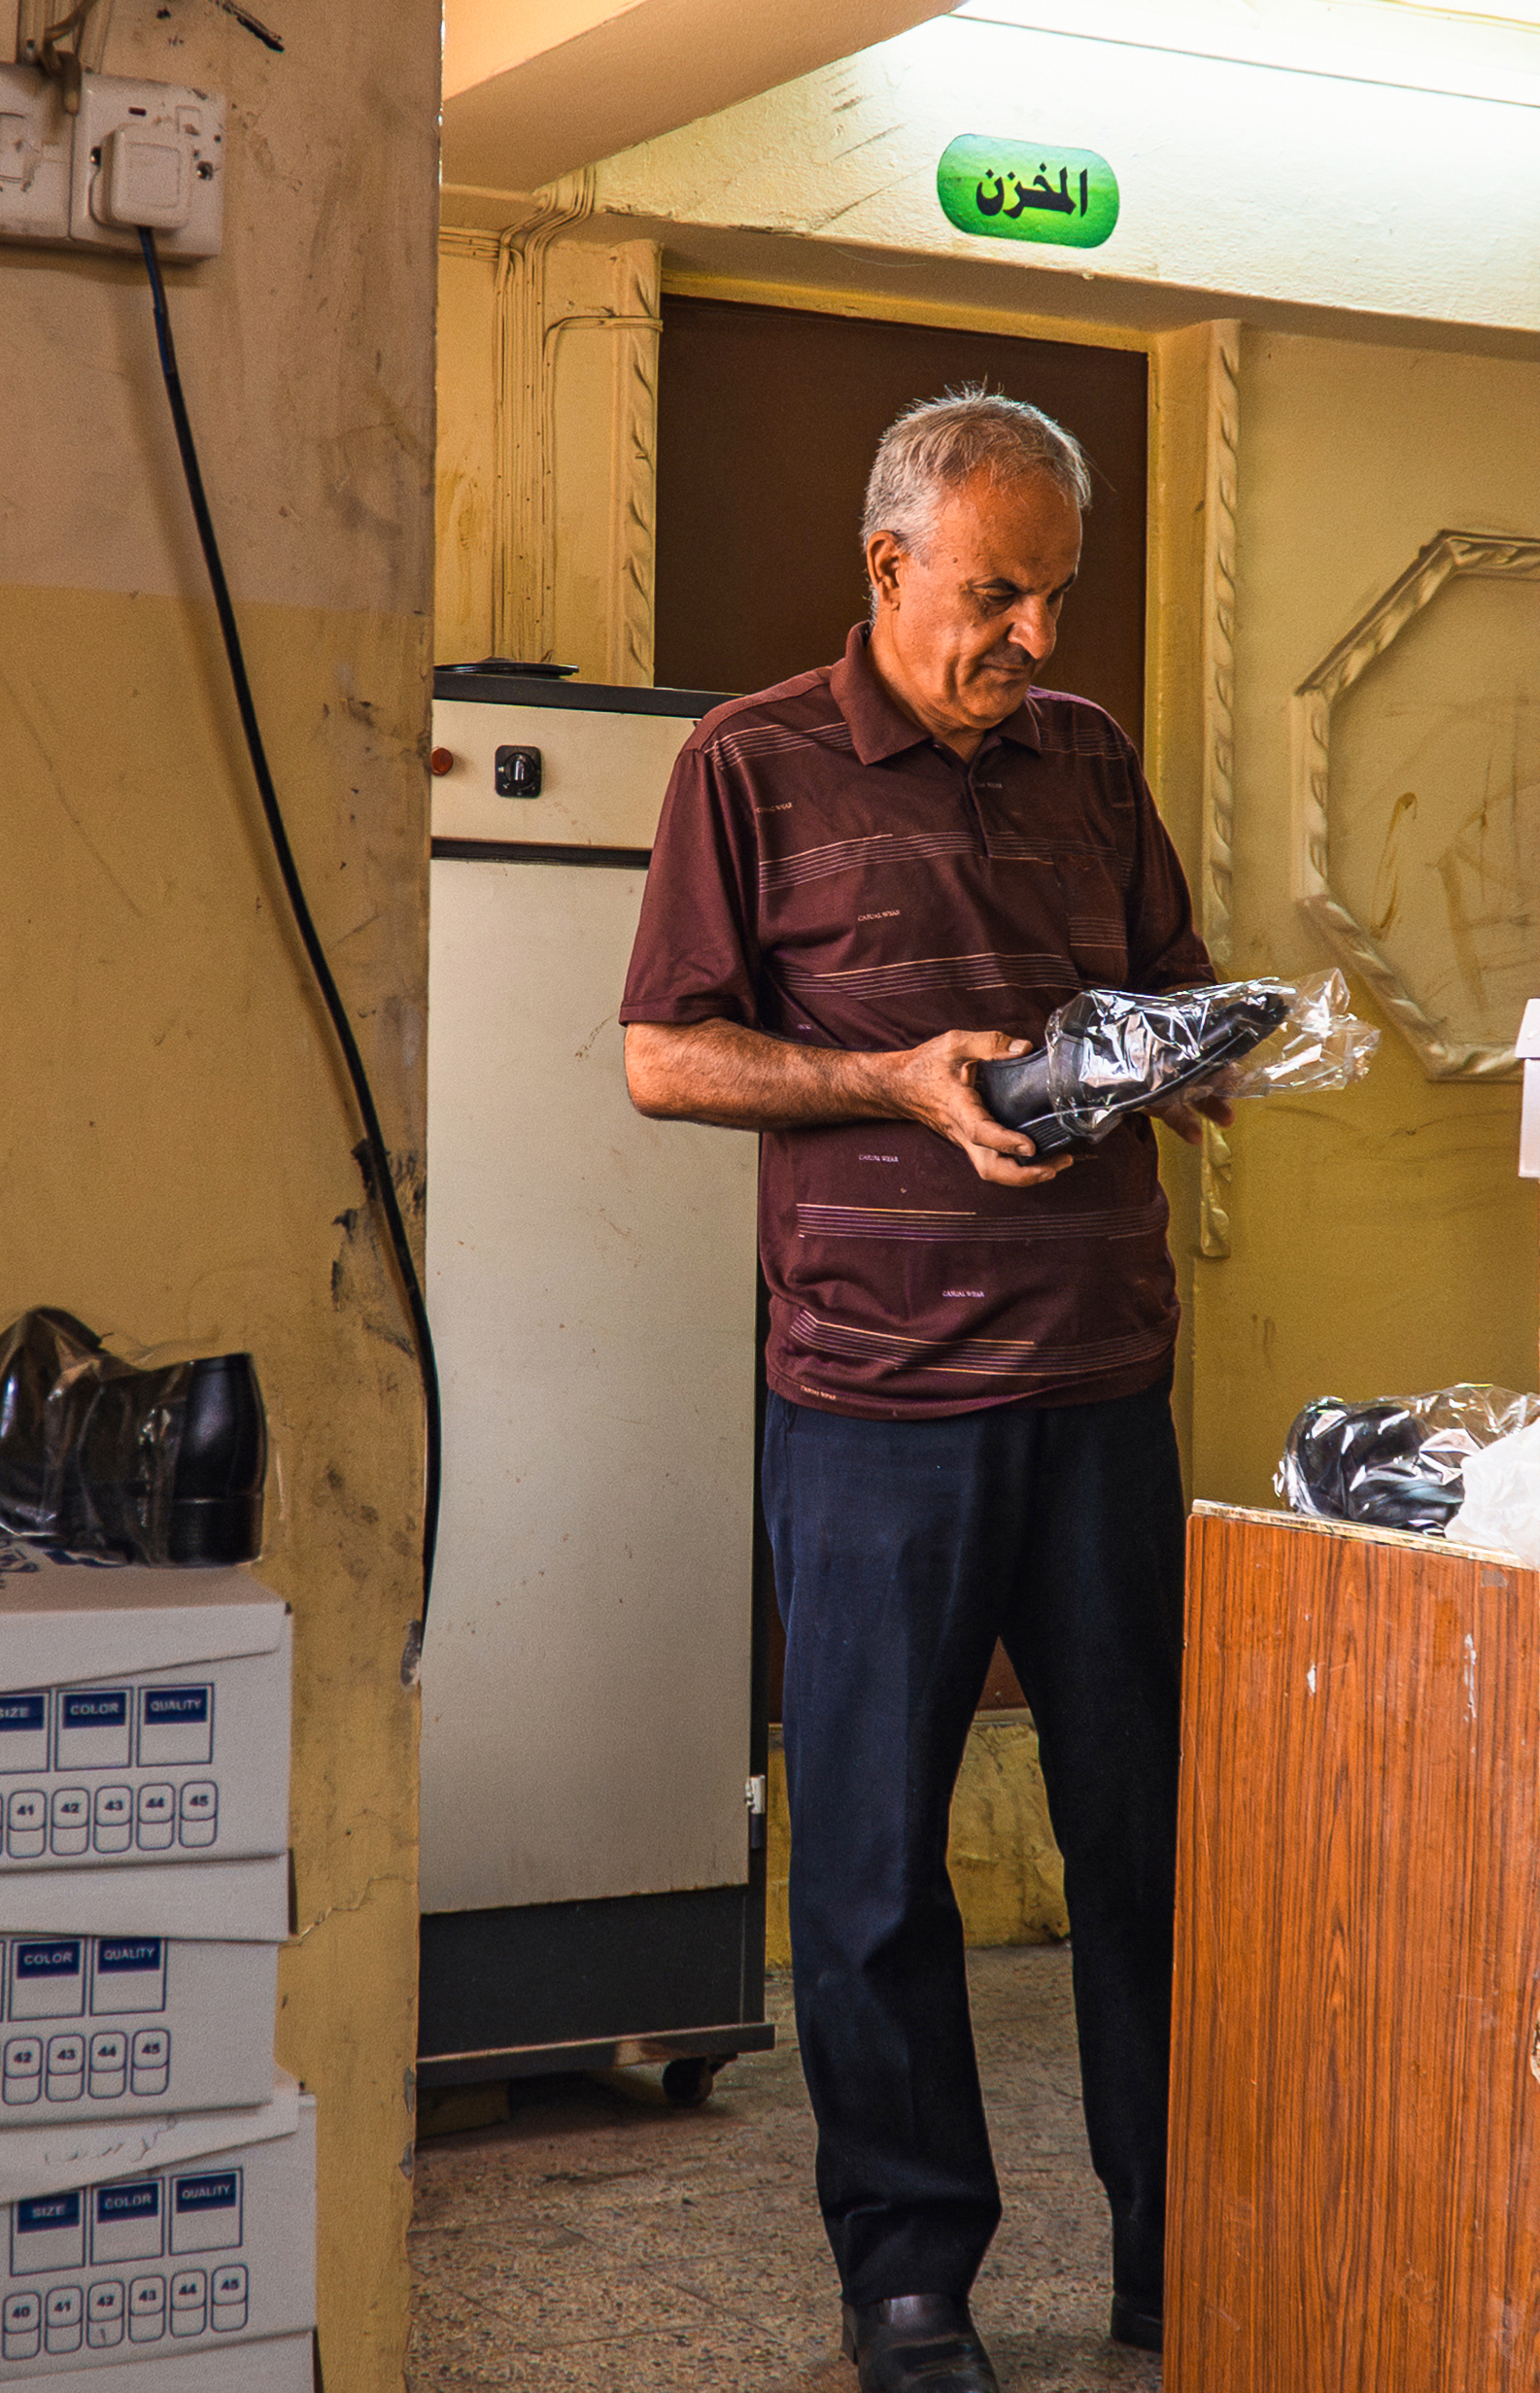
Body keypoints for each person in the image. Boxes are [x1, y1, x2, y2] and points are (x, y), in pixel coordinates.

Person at [619, 387, 1208, 2393]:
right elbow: (663, 1055)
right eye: (998, 593)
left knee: (1150, 1841)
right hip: (872, 1404)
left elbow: (1162, 981)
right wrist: (891, 1078)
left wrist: (1186, 1057)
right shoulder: (746, 763)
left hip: (1104, 1386)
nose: (1035, 635)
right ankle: (909, 2277)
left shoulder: (1089, 759)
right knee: (871, 1861)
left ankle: (1176, 2247)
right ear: (890, 566)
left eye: (1054, 596)